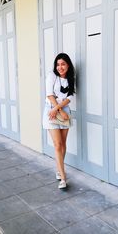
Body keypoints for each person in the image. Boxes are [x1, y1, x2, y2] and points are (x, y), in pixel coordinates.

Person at [43, 53, 75, 189]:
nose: (60, 67)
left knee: (63, 144)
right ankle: (63, 178)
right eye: (58, 64)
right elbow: (49, 94)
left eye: (63, 64)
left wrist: (61, 109)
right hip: (51, 112)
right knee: (57, 145)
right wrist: (58, 109)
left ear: (68, 65)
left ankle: (59, 169)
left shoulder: (70, 79)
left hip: (63, 111)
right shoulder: (52, 76)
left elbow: (71, 96)